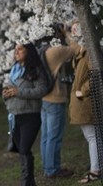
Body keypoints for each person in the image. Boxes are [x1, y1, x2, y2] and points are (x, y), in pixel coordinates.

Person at [2, 43, 48, 186]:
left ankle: (26, 183)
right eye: (15, 49)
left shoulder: (35, 70)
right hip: (14, 116)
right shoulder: (13, 70)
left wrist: (17, 92)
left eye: (20, 49)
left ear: (29, 51)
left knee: (24, 148)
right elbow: (8, 90)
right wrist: (5, 94)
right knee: (21, 151)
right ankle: (28, 182)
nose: (16, 51)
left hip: (30, 115)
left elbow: (42, 90)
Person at [38, 23, 78, 179]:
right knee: (54, 136)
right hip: (55, 97)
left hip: (44, 97)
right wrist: (67, 33)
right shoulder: (55, 51)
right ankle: (53, 170)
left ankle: (47, 167)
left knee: (46, 136)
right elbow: (76, 48)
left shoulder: (41, 50)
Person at [69, 22, 100, 184]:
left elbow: (96, 73)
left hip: (86, 100)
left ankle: (95, 170)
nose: (73, 30)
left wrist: (84, 90)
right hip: (82, 100)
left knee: (92, 136)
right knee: (93, 136)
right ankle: (96, 166)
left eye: (77, 27)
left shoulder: (88, 52)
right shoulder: (81, 50)